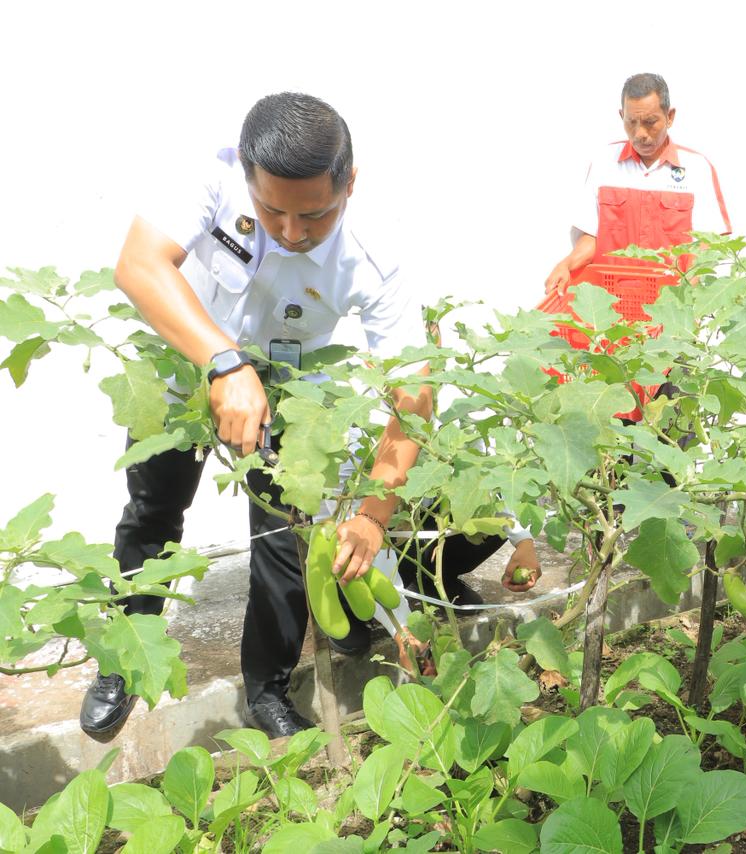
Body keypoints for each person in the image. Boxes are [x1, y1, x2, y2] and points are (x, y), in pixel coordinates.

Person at [81, 92, 540, 740]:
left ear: (350, 184)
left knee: (283, 547)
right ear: (245, 174)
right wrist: (223, 361)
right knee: (152, 517)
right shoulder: (209, 176)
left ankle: (267, 690)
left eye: (315, 215)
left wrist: (374, 514)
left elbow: (413, 395)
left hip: (293, 395)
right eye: (271, 210)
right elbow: (137, 265)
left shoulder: (376, 256)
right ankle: (123, 663)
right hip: (185, 367)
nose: (292, 232)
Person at [543, 72, 731, 295]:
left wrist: (691, 293)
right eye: (631, 122)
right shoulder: (605, 163)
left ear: (670, 117)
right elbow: (591, 236)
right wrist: (567, 264)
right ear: (621, 115)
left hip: (671, 308)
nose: (640, 133)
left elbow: (707, 246)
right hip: (611, 305)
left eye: (650, 122)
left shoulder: (697, 168)